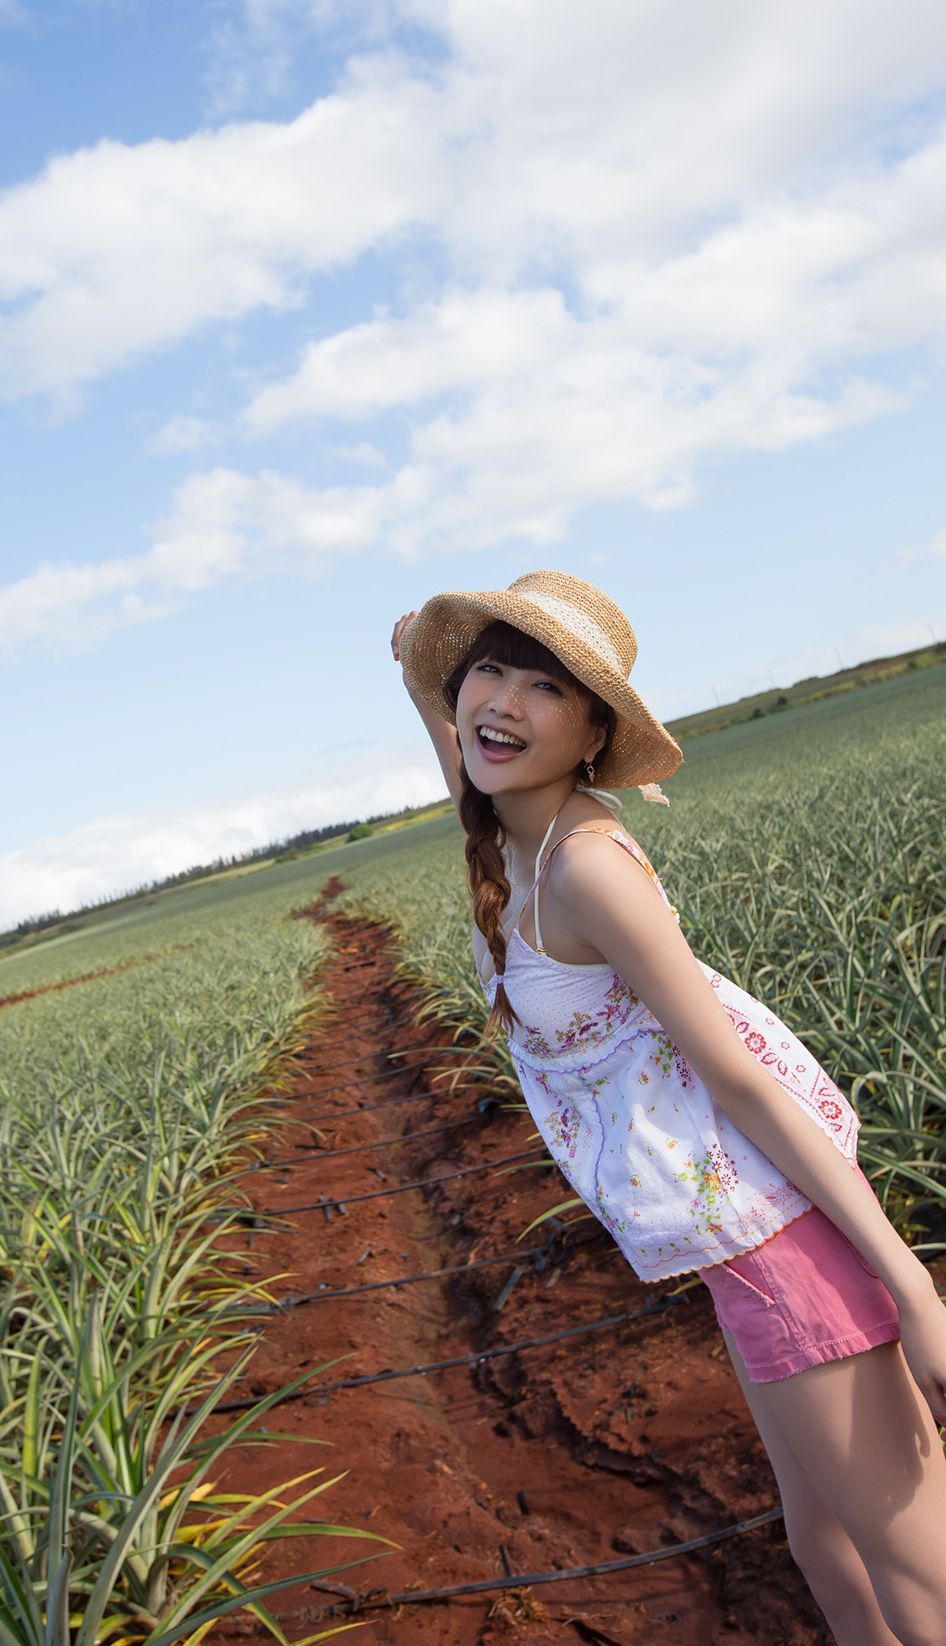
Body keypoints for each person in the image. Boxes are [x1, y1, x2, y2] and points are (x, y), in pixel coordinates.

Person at [391, 569, 946, 1646]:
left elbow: (741, 1078)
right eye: (489, 673)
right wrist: (421, 673)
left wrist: (913, 1292)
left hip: (781, 1234)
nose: (503, 703)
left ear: (595, 732)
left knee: (917, 1568)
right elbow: (462, 747)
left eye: (546, 687)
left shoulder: (588, 868)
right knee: (821, 1549)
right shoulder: (508, 833)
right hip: (733, 1238)